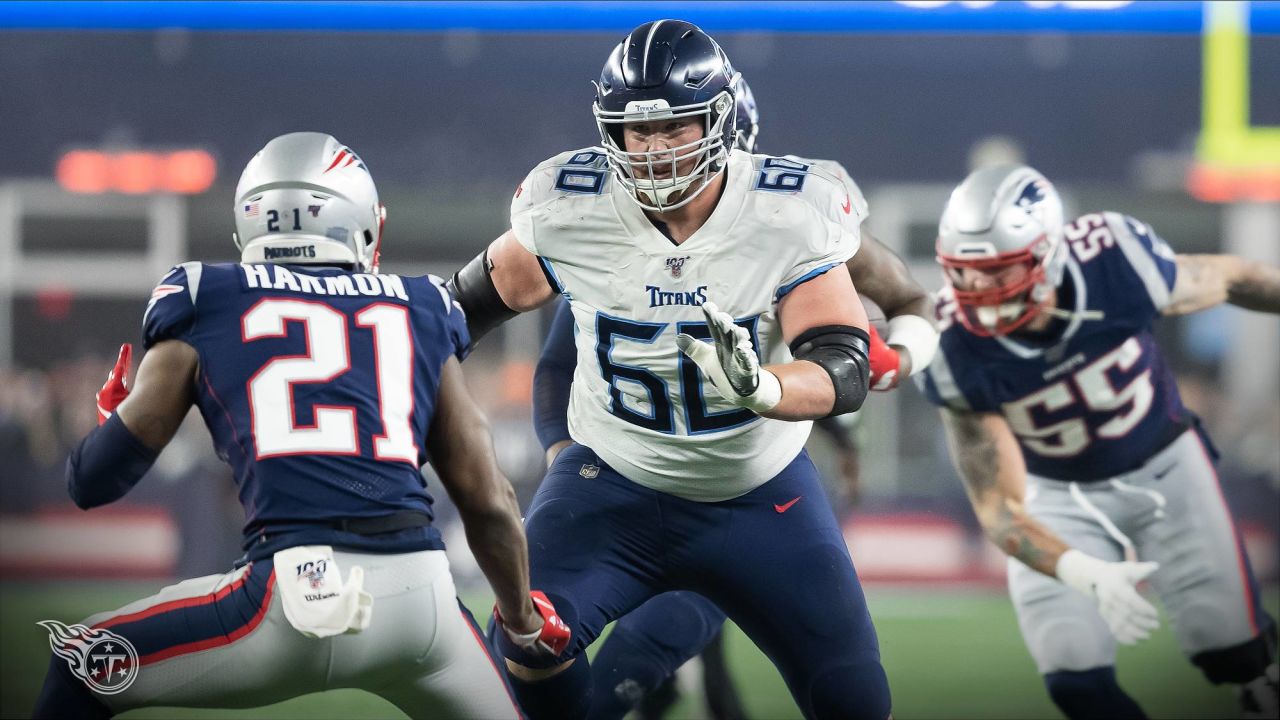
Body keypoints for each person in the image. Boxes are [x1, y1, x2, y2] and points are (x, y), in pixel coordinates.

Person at [33, 132, 568, 720]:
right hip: (422, 604)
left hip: (286, 598)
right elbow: (489, 499)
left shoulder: (205, 295)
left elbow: (93, 482)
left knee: (82, 665)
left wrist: (114, 421)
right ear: (361, 223)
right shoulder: (415, 306)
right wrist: (520, 623)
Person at [448, 19, 893, 720]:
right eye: (637, 132)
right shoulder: (569, 207)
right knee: (518, 653)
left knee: (856, 697)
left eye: (674, 128)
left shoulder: (784, 211)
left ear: (718, 122)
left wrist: (764, 387)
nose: (654, 151)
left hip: (756, 493)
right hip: (612, 488)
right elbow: (458, 315)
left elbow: (842, 365)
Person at [530, 75, 937, 720]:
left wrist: (893, 360)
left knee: (837, 686)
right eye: (647, 141)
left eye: (682, 140)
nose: (670, 176)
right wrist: (568, 461)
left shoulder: (795, 226)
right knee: (562, 662)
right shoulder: (616, 243)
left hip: (749, 477)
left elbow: (898, 312)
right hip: (627, 477)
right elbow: (557, 364)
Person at [919, 164, 1280, 719]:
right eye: (965, 275)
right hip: (1058, 494)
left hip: (1167, 467)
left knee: (1237, 654)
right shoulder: (952, 346)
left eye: (1000, 273)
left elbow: (1231, 278)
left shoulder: (1116, 263)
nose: (979, 294)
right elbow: (999, 510)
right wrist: (1079, 569)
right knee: (1074, 679)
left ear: (1049, 255)